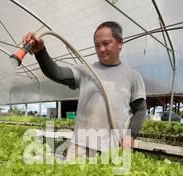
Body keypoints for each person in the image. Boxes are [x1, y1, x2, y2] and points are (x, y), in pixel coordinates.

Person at [22, 21, 147, 159]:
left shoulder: (133, 76)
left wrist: (131, 136)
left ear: (120, 43)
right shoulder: (86, 71)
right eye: (97, 45)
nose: (101, 49)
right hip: (81, 146)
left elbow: (140, 110)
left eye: (106, 43)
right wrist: (40, 52)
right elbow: (56, 73)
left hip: (113, 148)